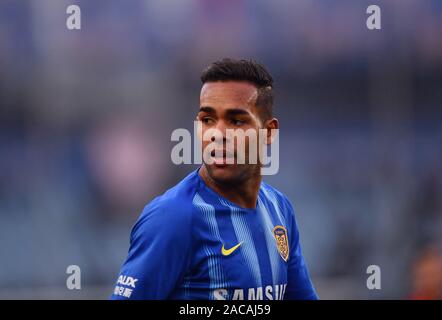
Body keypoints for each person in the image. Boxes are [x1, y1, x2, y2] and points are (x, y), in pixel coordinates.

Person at [111, 58, 318, 300]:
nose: (217, 135)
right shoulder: (173, 217)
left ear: (269, 132)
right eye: (208, 119)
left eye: (236, 121)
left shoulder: (279, 209)